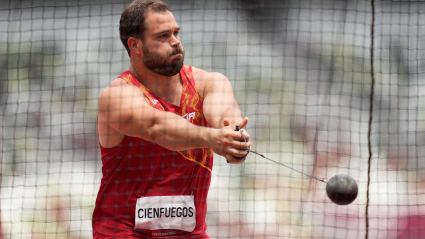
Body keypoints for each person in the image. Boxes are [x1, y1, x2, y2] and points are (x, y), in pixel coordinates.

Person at [92, 0, 251, 238]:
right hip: (123, 231)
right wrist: (213, 137)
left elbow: (225, 115)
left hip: (189, 233)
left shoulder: (209, 83)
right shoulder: (117, 95)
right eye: (163, 36)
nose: (175, 41)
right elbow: (156, 126)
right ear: (135, 45)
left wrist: (233, 138)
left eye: (176, 33)